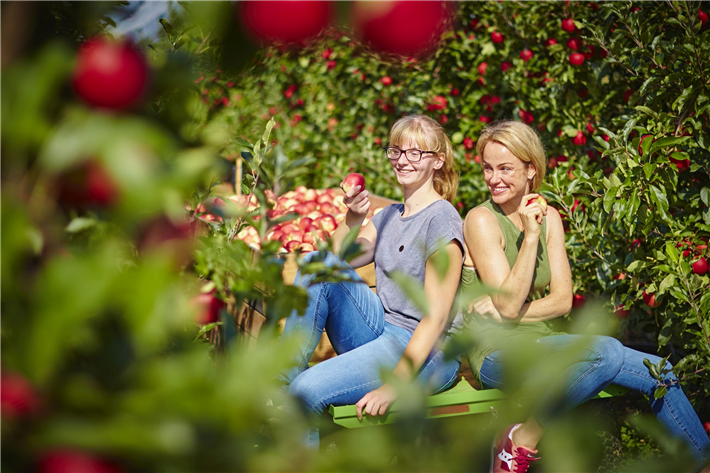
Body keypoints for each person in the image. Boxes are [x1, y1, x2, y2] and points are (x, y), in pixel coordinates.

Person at [462, 120, 710, 473]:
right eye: (488, 168)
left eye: (505, 168)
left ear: (531, 169)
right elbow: (508, 303)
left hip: (547, 343)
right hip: (497, 356)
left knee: (661, 372)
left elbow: (562, 300)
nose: (493, 178)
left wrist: (509, 310)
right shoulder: (481, 220)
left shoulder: (548, 217)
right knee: (605, 351)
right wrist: (529, 240)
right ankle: (520, 438)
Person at [280, 115, 465, 448]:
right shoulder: (388, 215)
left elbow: (435, 317)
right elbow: (335, 261)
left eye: (416, 152)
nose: (403, 160)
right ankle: (279, 381)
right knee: (315, 261)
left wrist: (394, 385)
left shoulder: (442, 219)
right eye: (396, 151)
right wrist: (352, 218)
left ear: (438, 161)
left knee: (305, 392)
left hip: (427, 352)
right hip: (381, 329)